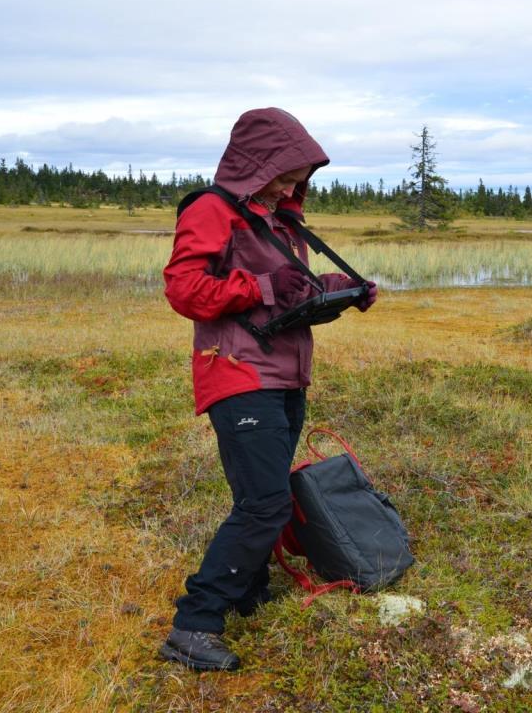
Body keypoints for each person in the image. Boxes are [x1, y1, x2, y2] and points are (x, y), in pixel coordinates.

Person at [160, 108, 377, 671]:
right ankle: (194, 624)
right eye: (285, 173)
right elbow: (184, 288)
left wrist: (341, 289)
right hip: (236, 371)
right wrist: (259, 284)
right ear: (257, 164)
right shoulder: (212, 210)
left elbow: (291, 293)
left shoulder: (281, 222)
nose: (291, 185)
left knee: (259, 495)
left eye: (300, 177)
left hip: (284, 374)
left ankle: (248, 591)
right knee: (266, 503)